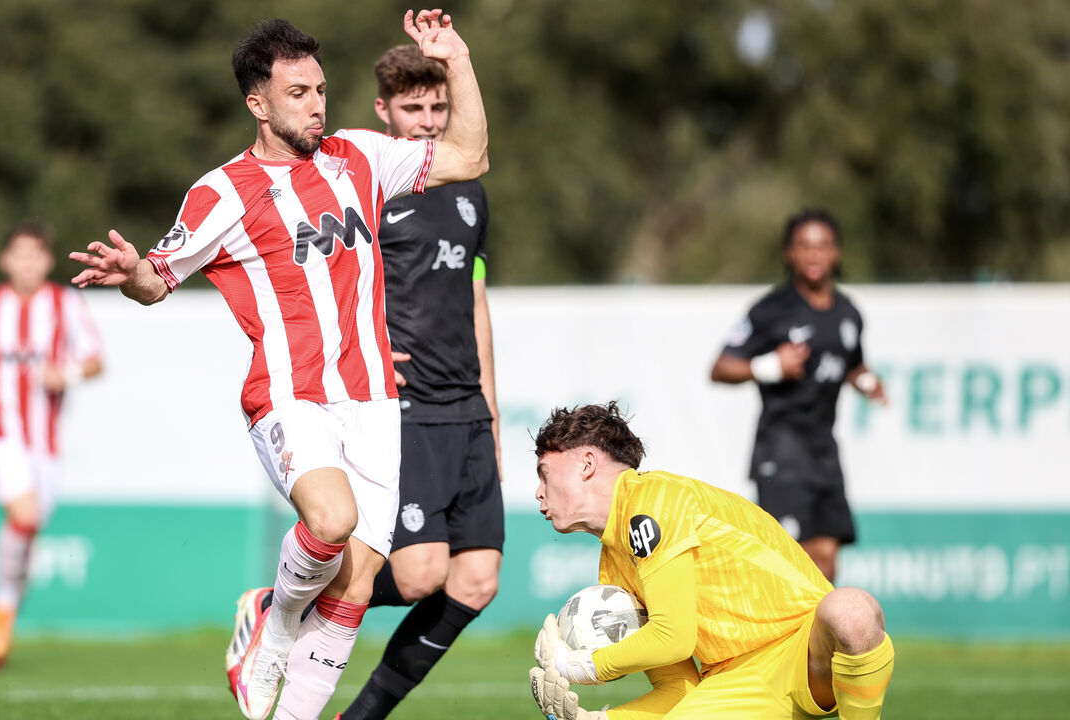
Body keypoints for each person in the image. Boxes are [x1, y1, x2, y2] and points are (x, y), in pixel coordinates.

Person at [68, 10, 489, 720]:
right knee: (329, 521)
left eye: (321, 89)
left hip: (375, 402)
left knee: (355, 590)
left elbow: (470, 156)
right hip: (290, 396)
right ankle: (274, 627)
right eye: (298, 93)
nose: (318, 104)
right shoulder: (222, 191)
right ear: (257, 104)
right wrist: (134, 269)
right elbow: (157, 281)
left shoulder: (359, 156)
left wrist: (459, 59)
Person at [225, 44, 504, 720]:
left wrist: (490, 413)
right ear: (384, 111)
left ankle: (356, 712)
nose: (431, 120)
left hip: (463, 406)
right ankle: (275, 605)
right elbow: (335, 281)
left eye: (439, 106)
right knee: (416, 574)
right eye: (415, 107)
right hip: (398, 405)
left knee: (476, 580)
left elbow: (474, 304)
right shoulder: (369, 182)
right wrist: (367, 351)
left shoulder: (466, 196)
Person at [529, 403, 895, 720]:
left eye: (545, 472)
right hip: (733, 682)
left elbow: (673, 637)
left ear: (587, 463)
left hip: (804, 649)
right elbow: (679, 689)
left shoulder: (651, 500)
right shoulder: (614, 566)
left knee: (850, 611)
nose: (538, 492)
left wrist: (575, 667)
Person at [0, 220, 103, 673]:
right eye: (19, 254)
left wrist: (63, 374)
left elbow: (94, 361)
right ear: (5, 260)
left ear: (47, 261)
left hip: (44, 444)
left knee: (28, 533)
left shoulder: (64, 303)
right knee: (24, 515)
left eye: (36, 255)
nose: (27, 263)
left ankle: (1, 618)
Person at [710, 209, 885, 582]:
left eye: (822, 246)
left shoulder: (849, 314)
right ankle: (779, 640)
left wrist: (867, 382)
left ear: (836, 253)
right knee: (793, 564)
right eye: (803, 246)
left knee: (827, 564)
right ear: (788, 254)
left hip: (823, 451)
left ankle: (815, 641)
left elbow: (851, 364)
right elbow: (721, 368)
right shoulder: (771, 310)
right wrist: (768, 366)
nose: (813, 255)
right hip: (780, 450)